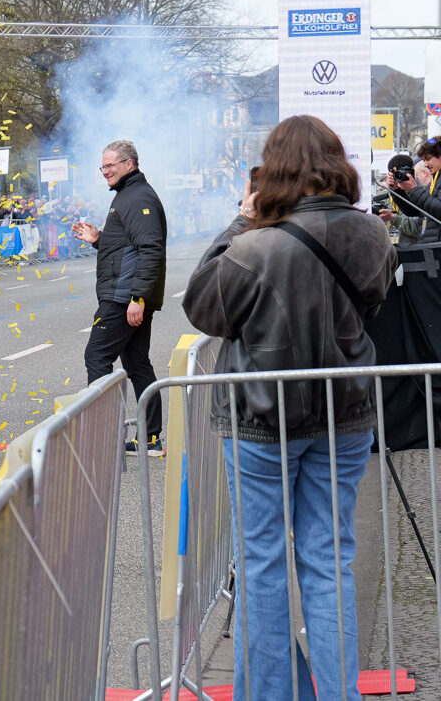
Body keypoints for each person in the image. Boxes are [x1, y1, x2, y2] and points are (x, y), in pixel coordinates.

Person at [182, 115, 397, 701]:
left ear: (271, 171)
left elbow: (204, 308)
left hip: (260, 421)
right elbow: (375, 300)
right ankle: (338, 694)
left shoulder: (253, 246)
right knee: (331, 563)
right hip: (345, 416)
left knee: (262, 567)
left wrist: (240, 218)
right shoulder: (371, 234)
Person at [73, 139, 168, 456]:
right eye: (102, 166)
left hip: (123, 298)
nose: (105, 171)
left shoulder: (138, 198)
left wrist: (137, 298)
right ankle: (150, 438)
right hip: (126, 295)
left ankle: (105, 436)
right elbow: (127, 250)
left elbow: (150, 249)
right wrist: (99, 240)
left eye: (110, 165)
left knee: (97, 358)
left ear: (130, 164)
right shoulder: (128, 196)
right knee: (137, 364)